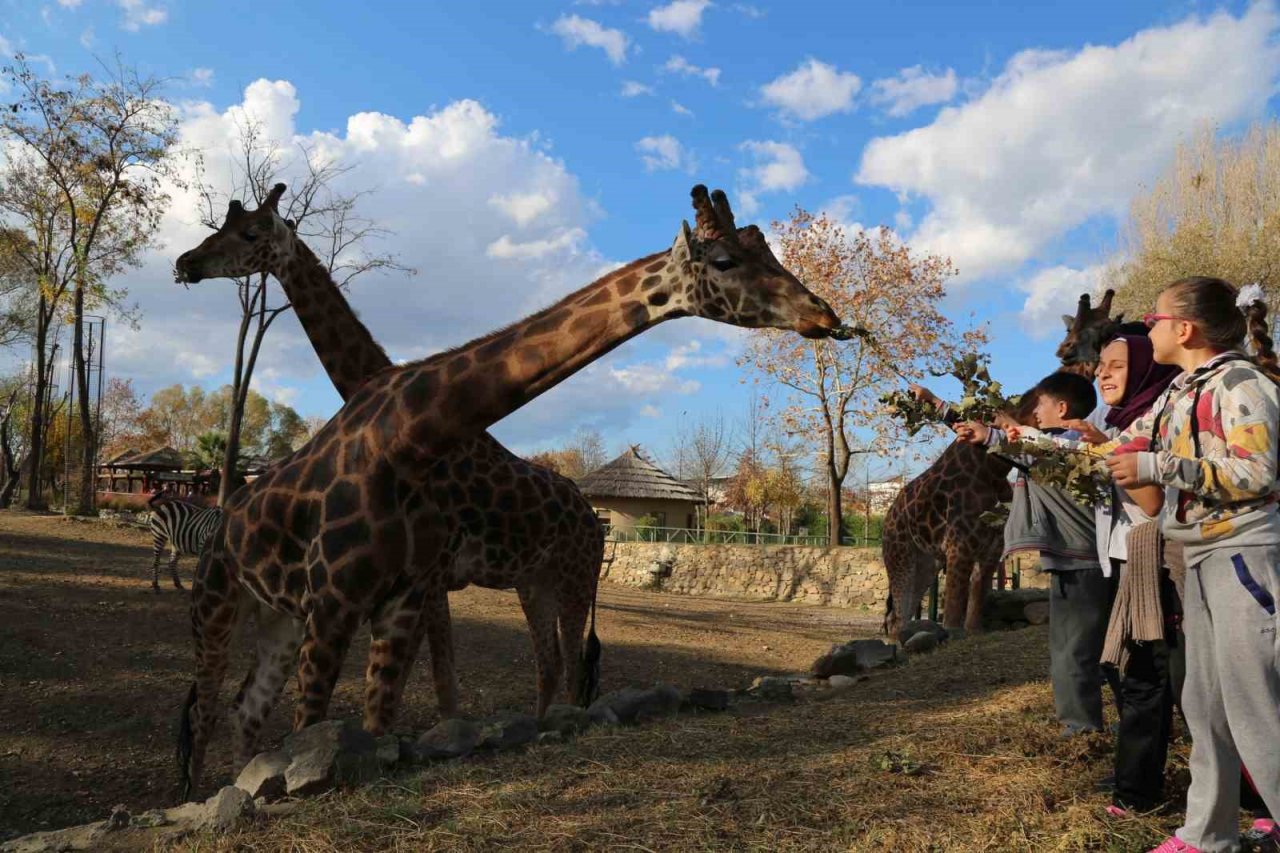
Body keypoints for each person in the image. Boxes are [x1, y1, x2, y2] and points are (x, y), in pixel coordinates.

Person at [1100, 277, 1280, 853]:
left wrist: (1159, 468)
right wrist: (1009, 437)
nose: (1145, 328)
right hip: (1201, 559)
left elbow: (1255, 473)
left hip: (1244, 557)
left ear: (1184, 329)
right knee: (1206, 706)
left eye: (1153, 318)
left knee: (1256, 706)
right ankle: (1208, 836)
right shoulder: (1176, 394)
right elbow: (1111, 447)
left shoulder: (1240, 382)